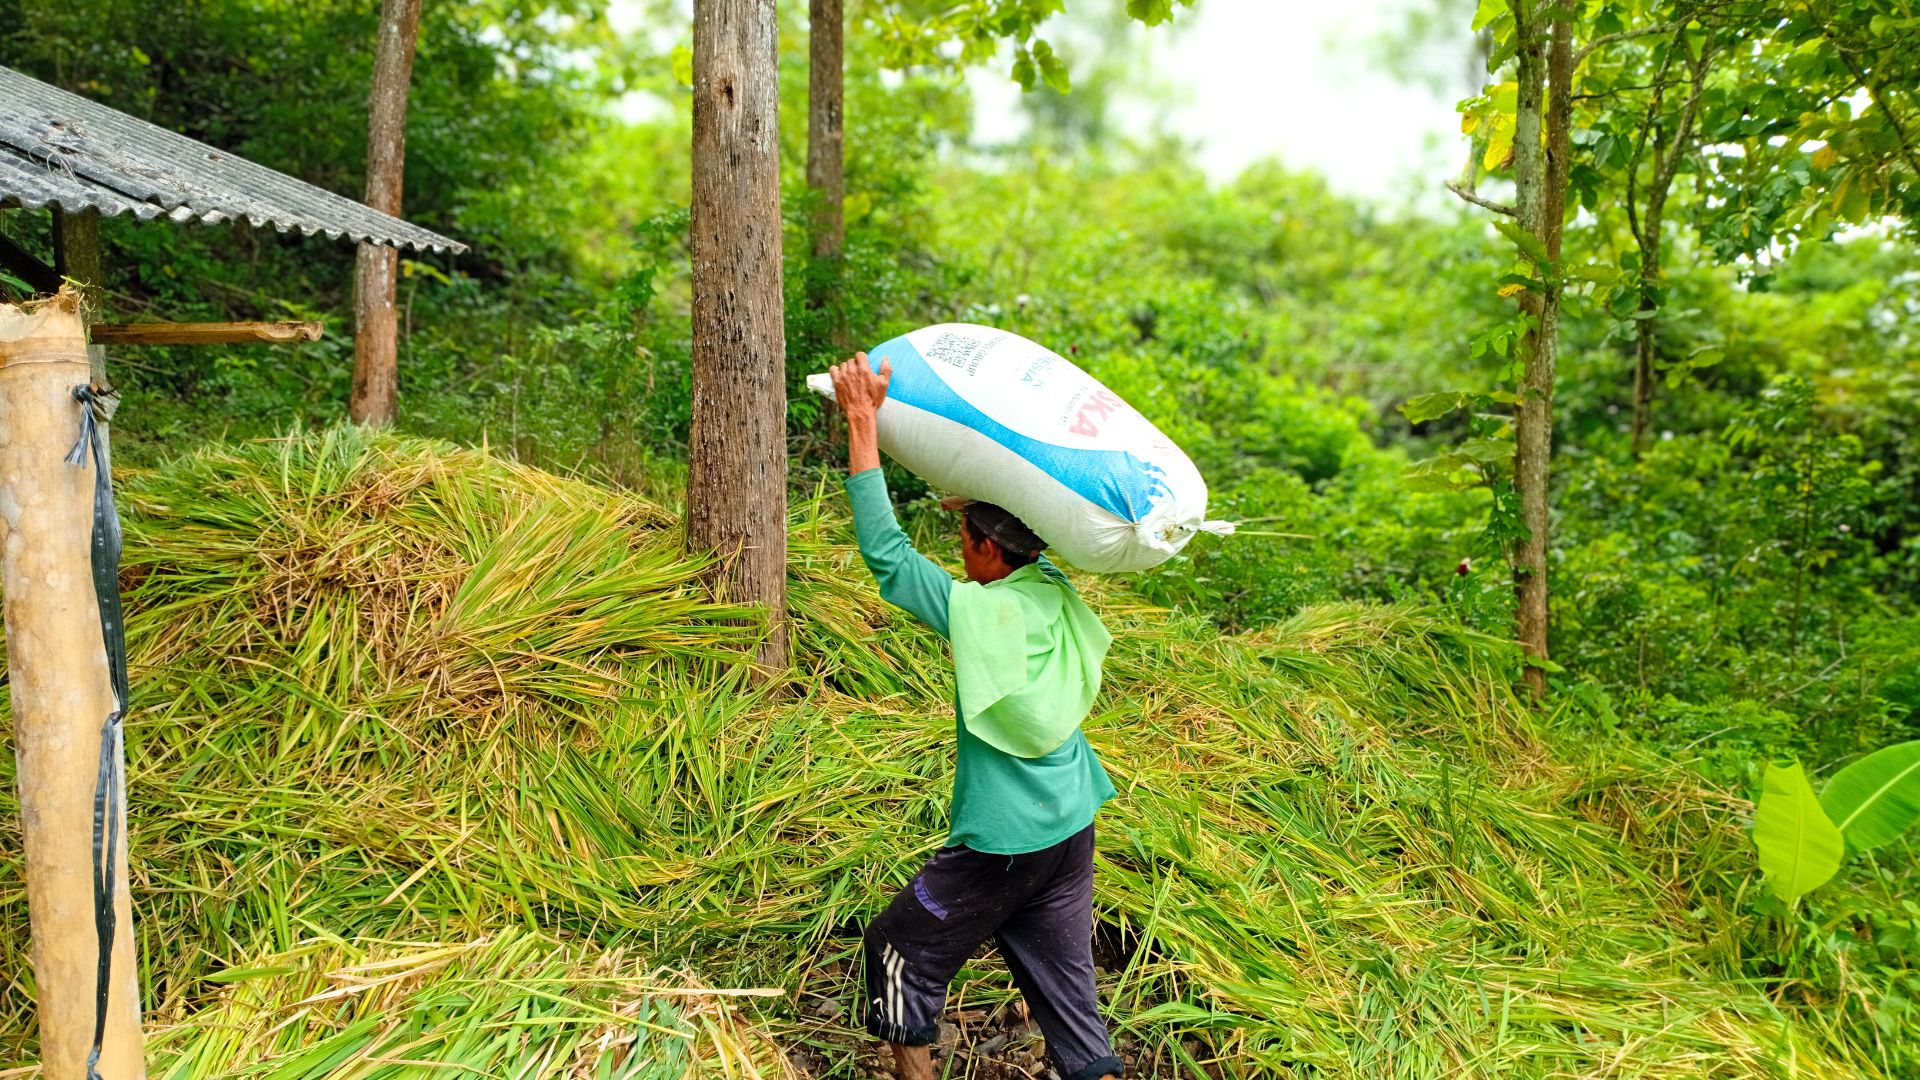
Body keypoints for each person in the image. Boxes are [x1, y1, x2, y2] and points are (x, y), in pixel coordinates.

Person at [828, 353, 1124, 1080]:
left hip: (1007, 843)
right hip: (1072, 823)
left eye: (964, 542)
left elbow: (890, 560)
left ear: (991, 549)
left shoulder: (980, 612)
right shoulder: (1050, 589)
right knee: (1070, 1003)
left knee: (897, 950)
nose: (957, 556)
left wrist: (863, 421)